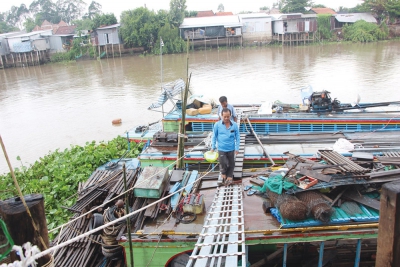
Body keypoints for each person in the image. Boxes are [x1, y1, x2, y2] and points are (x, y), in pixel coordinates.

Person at [211, 108, 240, 186]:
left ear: (230, 115)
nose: (226, 118)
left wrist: (237, 148)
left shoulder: (234, 125)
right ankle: (223, 173)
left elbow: (237, 137)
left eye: (228, 116)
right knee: (222, 162)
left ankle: (230, 176)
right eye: (225, 117)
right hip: (221, 148)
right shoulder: (217, 125)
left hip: (231, 148)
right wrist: (213, 147)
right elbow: (214, 136)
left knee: (231, 163)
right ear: (221, 116)